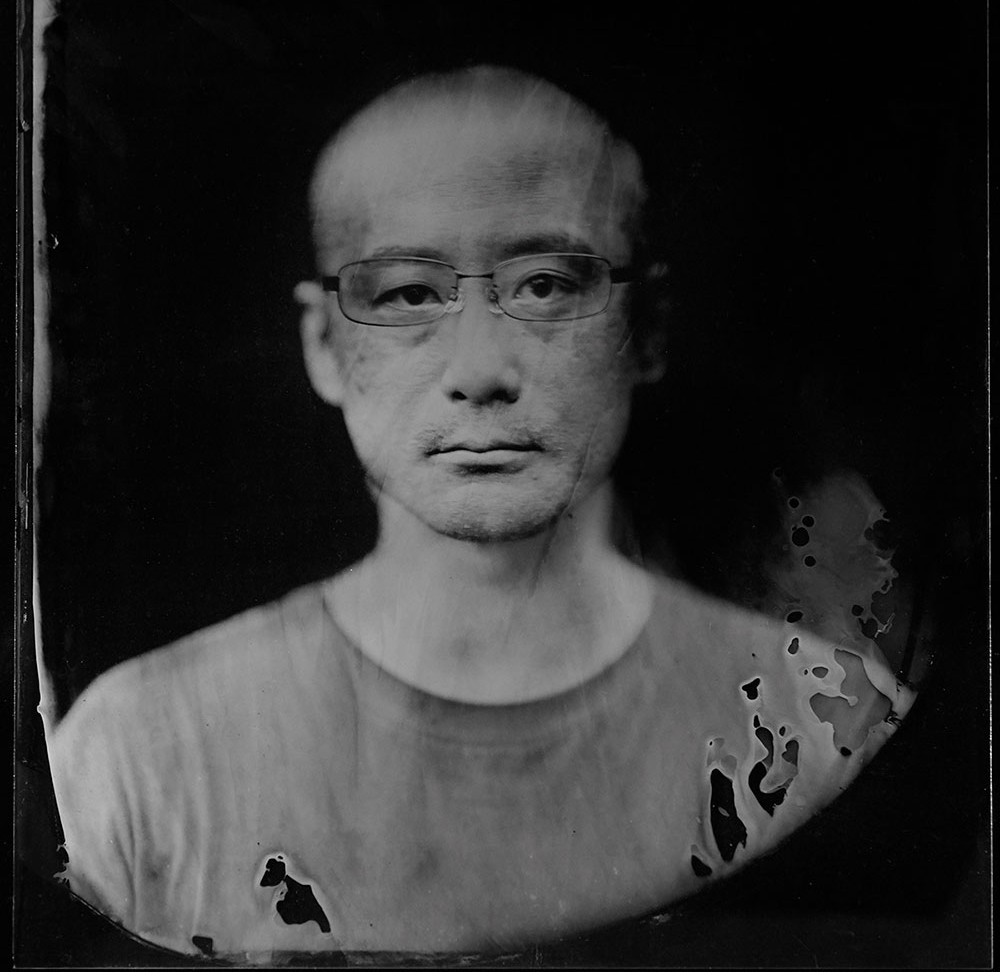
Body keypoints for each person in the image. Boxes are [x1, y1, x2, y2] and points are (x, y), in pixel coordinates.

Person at [47, 65, 913, 958]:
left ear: (647, 325)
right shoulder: (137, 756)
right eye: (409, 294)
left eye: (545, 285)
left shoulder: (825, 722)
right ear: (323, 344)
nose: (480, 370)